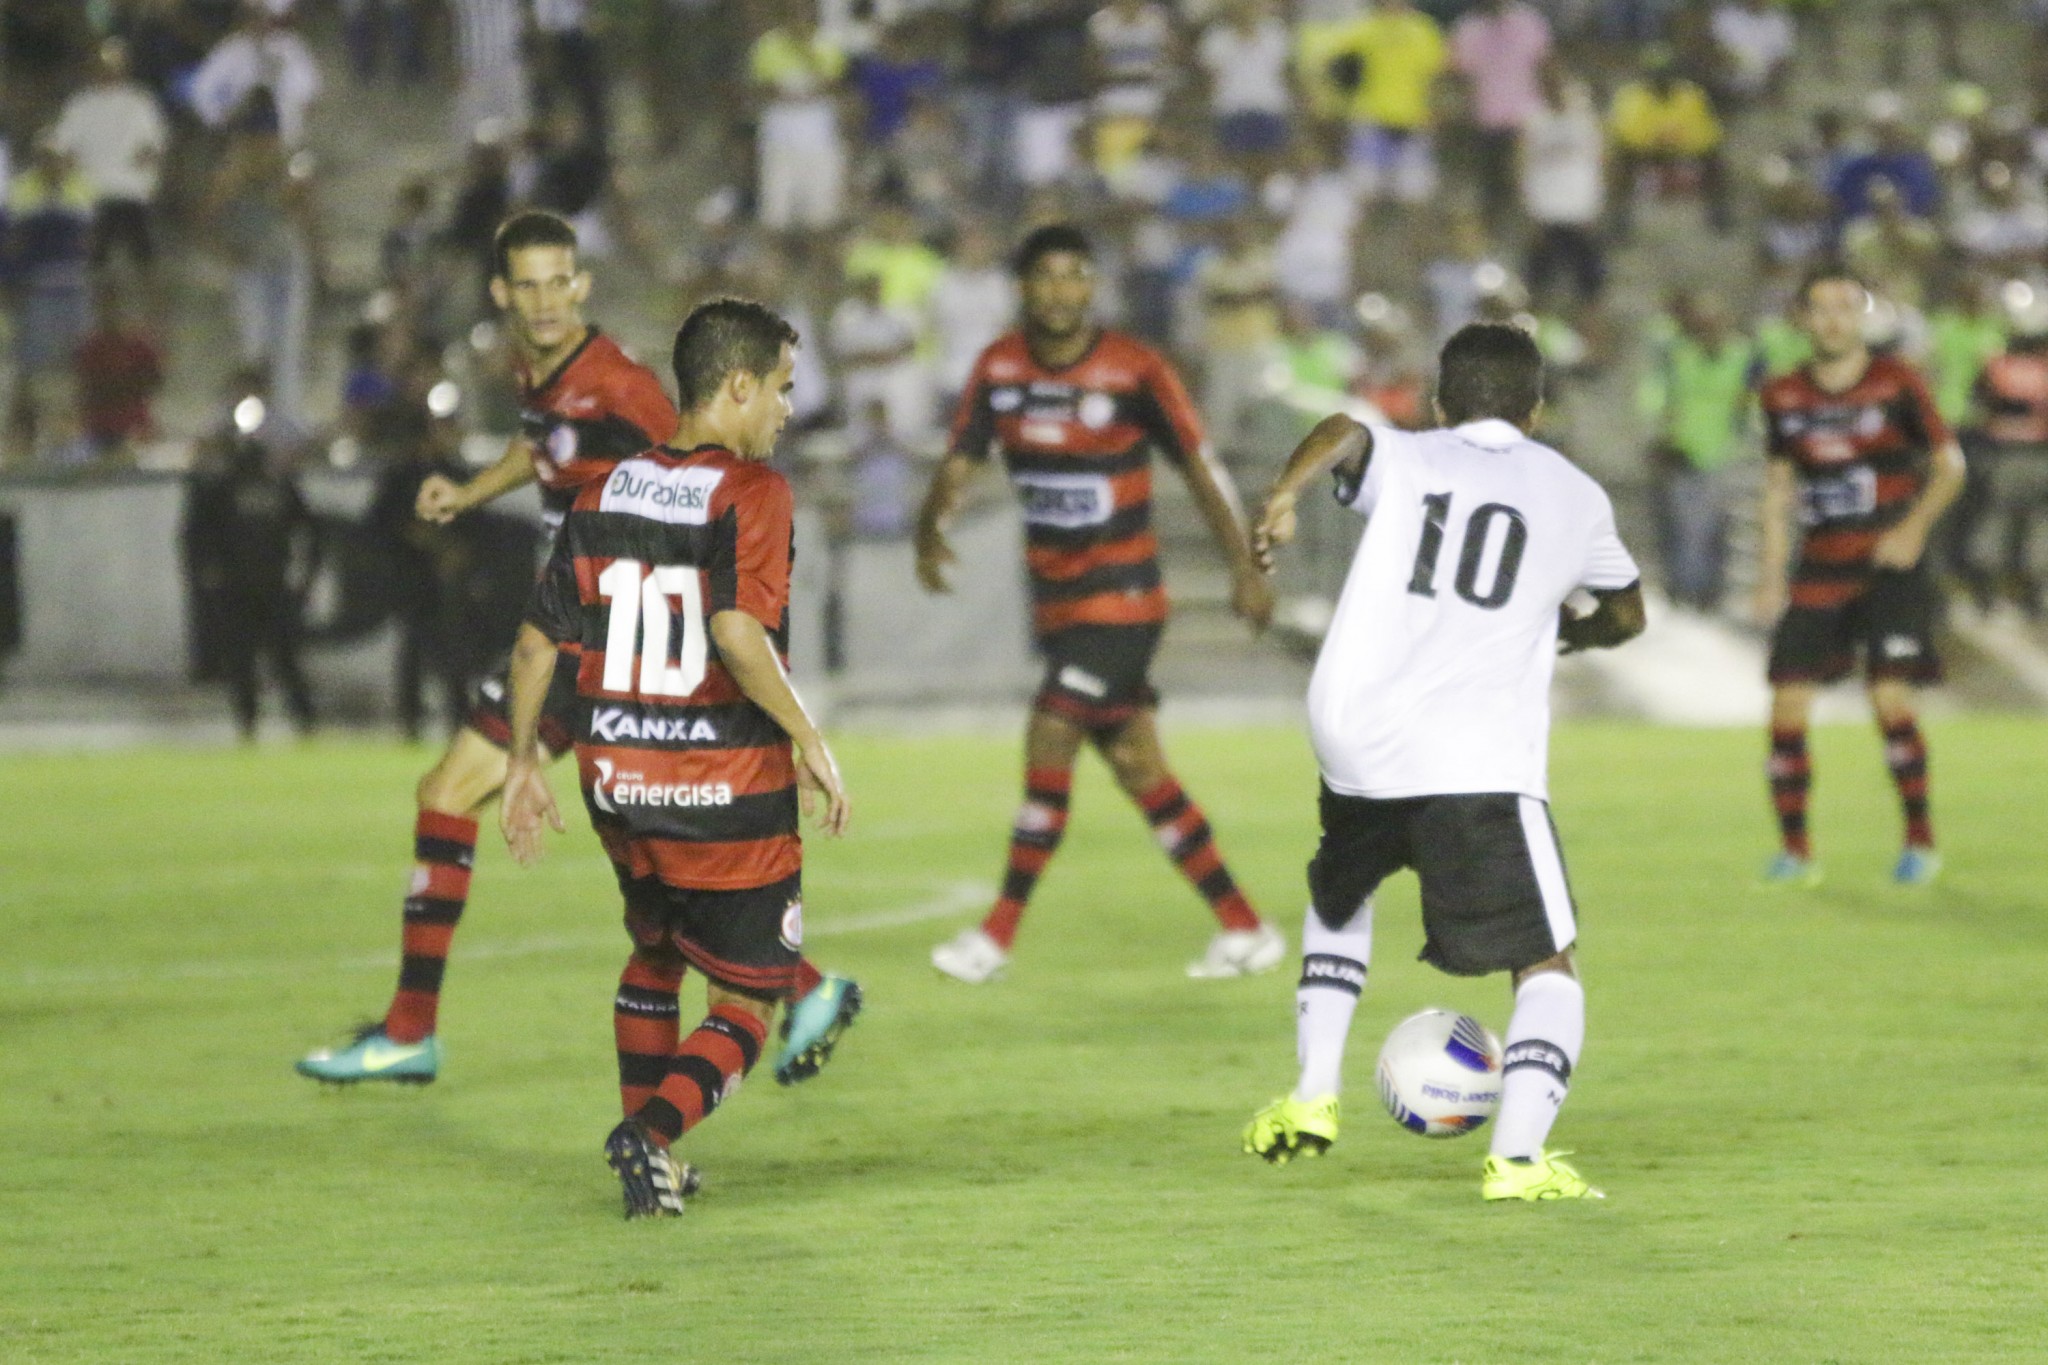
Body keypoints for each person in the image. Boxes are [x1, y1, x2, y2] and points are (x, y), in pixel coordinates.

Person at [296, 212, 859, 1088]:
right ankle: (795, 986)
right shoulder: (542, 369)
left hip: (599, 641)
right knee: (591, 848)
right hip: (584, 630)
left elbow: (685, 454)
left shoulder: (620, 383)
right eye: (529, 284)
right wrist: (473, 492)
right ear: (502, 294)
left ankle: (414, 1031)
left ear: (583, 286)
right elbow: (548, 448)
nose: (547, 299)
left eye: (561, 281)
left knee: (458, 797)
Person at [1240, 322, 1646, 1202]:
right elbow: (1627, 615)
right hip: (1476, 757)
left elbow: (1346, 429)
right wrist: (1565, 632)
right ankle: (1519, 1158)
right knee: (1547, 964)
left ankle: (1312, 1097)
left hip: (1356, 737)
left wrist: (1283, 493)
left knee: (1340, 895)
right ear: (1537, 412)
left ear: (1438, 403)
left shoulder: (1413, 456)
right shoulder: (1575, 495)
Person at [499, 298, 848, 1218]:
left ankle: (653, 1170)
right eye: (780, 388)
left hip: (618, 782)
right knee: (745, 1003)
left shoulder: (599, 491)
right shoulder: (754, 492)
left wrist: (524, 761)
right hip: (723, 791)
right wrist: (809, 738)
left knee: (654, 955)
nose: (783, 410)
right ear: (737, 385)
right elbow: (737, 631)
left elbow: (537, 644)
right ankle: (648, 1134)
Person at [916, 223, 1283, 983]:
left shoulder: (1133, 368)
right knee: (1138, 766)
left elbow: (1199, 462)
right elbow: (960, 459)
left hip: (1125, 601)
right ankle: (1245, 928)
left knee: (1051, 731)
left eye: (1076, 275)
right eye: (1046, 276)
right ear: (1023, 287)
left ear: (1093, 287)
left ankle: (995, 935)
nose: (1061, 290)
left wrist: (1245, 566)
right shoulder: (999, 366)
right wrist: (931, 526)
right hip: (1058, 607)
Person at [1754, 267, 1967, 888]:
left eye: (1845, 308)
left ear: (1861, 316)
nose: (1833, 320)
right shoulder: (1782, 394)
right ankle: (1796, 852)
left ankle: (1919, 841)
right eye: (1820, 309)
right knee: (1787, 705)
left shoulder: (1896, 382)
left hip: (1887, 566)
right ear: (1803, 318)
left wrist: (1913, 529)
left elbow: (1949, 464)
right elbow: (1777, 489)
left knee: (1888, 696)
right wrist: (1770, 577)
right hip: (1820, 565)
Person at [181, 386, 321, 742]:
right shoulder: (219, 487)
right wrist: (208, 576)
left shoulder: (279, 485)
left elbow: (311, 531)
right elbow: (197, 536)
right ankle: (249, 723)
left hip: (272, 583)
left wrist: (305, 577)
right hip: (237, 586)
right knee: (241, 661)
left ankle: (304, 722)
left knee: (286, 659)